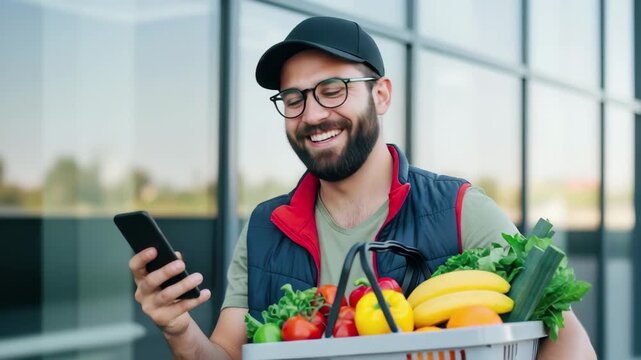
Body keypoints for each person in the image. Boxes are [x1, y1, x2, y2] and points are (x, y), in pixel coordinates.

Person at [128, 16, 596, 360]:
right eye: (294, 100)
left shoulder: (457, 210)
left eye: (332, 90)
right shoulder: (264, 228)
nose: (312, 115)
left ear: (381, 95)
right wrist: (178, 328)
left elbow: (566, 338)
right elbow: (227, 356)